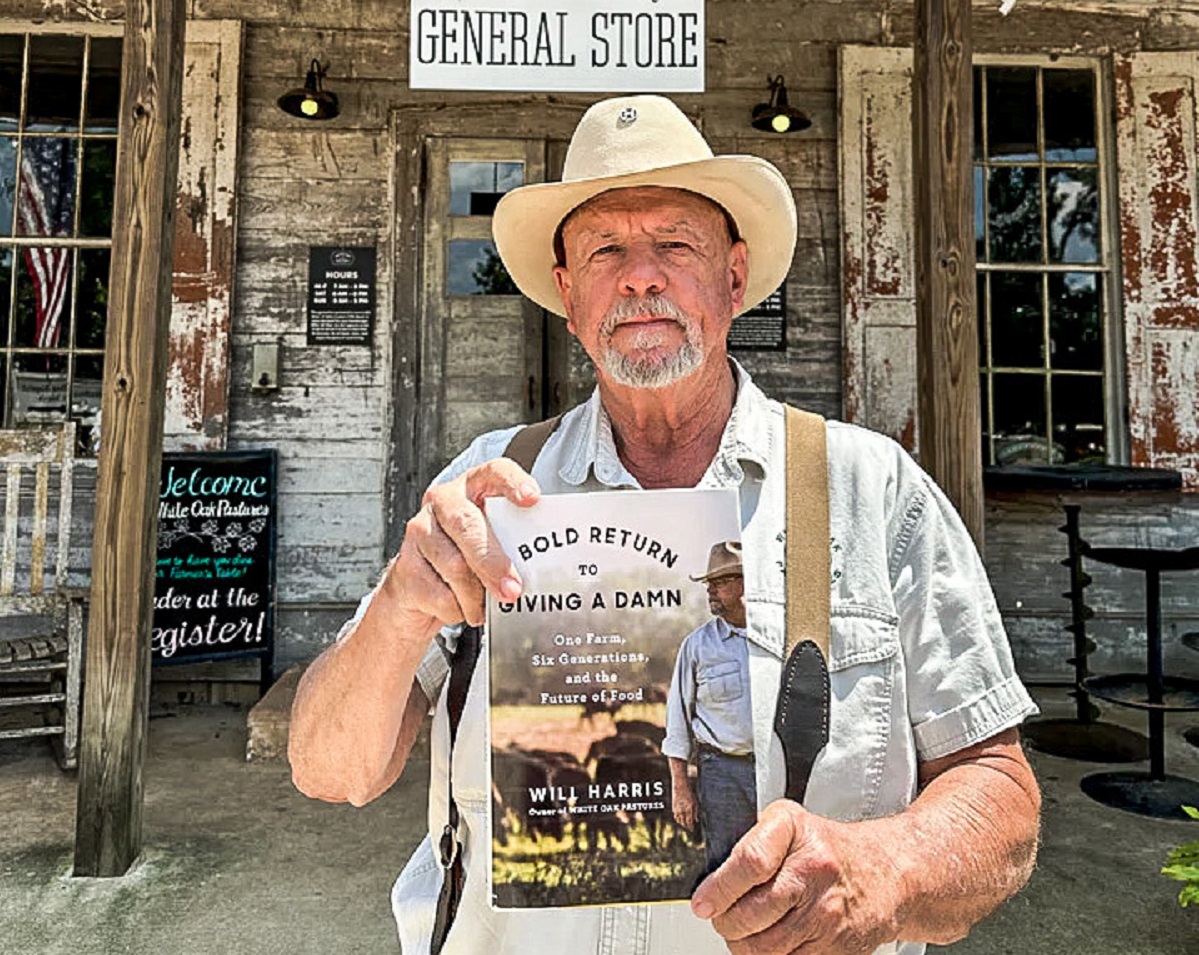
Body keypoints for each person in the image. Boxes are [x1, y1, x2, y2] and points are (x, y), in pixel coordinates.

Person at [288, 94, 1041, 955]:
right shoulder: (485, 491)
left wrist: (889, 866)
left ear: (732, 278)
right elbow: (331, 769)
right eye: (605, 248)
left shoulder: (872, 489)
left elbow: (997, 784)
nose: (639, 275)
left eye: (674, 244)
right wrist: (400, 606)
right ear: (568, 298)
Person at [663, 541, 757, 877]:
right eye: (709, 586)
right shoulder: (697, 645)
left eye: (718, 584)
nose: (711, 593)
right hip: (722, 773)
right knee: (727, 872)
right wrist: (681, 789)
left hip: (780, 769)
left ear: (745, 583)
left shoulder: (780, 636)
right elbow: (677, 721)